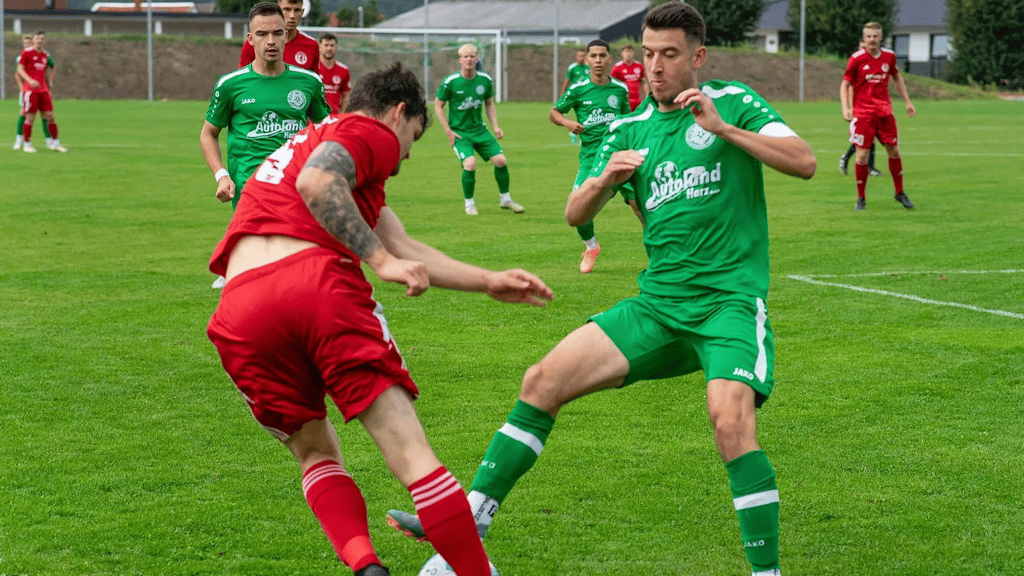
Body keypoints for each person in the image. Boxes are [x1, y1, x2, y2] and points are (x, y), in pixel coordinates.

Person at [386, 4, 817, 576]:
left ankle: (768, 573)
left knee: (729, 420)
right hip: (658, 307)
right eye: (648, 54)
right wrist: (605, 181)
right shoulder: (629, 129)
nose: (656, 67)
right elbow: (573, 213)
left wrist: (723, 130)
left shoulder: (732, 102)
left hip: (727, 305)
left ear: (697, 57)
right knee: (542, 380)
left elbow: (805, 161)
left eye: (669, 54)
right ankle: (467, 533)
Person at [206, 61, 553, 576]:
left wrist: (488, 280)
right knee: (412, 455)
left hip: (239, 310)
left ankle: (366, 565)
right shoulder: (367, 131)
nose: (406, 154)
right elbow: (320, 183)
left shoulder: (303, 143)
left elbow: (403, 243)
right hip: (314, 285)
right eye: (413, 136)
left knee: (314, 453)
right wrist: (379, 261)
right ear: (397, 113)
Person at [201, 2, 331, 212]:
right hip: (249, 192)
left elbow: (327, 132)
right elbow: (208, 133)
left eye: (277, 33)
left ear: (286, 36)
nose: (271, 41)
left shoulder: (309, 82)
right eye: (262, 34)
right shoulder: (230, 85)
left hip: (296, 190)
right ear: (250, 39)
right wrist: (221, 175)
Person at [549, 39, 630, 273]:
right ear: (586, 59)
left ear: (609, 59)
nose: (597, 60)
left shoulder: (620, 90)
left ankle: (662, 258)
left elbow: (628, 122)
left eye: (602, 56)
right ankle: (591, 247)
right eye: (593, 56)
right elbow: (554, 112)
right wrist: (567, 122)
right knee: (578, 208)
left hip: (619, 159)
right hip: (590, 160)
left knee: (643, 205)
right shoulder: (578, 88)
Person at [435, 44, 524, 215]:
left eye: (472, 56)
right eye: (465, 57)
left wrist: (495, 126)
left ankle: (506, 199)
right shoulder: (451, 82)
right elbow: (438, 106)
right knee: (470, 164)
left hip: (480, 131)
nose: (469, 59)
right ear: (460, 60)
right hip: (460, 133)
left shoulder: (485, 80)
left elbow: (489, 103)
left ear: (476, 59)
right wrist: (448, 130)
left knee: (500, 160)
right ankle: (469, 204)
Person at [840, 21, 916, 211]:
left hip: (884, 113)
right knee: (862, 155)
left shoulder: (889, 57)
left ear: (881, 37)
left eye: (875, 36)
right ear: (864, 39)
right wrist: (846, 108)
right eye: (868, 37)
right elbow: (845, 84)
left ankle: (899, 193)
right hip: (863, 114)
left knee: (894, 150)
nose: (872, 40)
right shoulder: (856, 59)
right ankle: (861, 198)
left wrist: (907, 101)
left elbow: (897, 77)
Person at [17, 31, 67, 153]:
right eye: (37, 38)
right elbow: (20, 68)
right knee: (30, 118)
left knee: (50, 116)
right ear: (34, 40)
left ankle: (56, 143)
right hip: (30, 90)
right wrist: (29, 80)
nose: (40, 40)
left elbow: (52, 67)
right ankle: (27, 144)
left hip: (43, 90)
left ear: (44, 41)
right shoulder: (26, 53)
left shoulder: (45, 55)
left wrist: (50, 80)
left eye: (42, 38)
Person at [838, 42, 881, 177]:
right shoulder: (857, 64)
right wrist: (851, 108)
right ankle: (865, 166)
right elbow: (849, 87)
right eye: (862, 47)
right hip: (859, 109)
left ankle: (867, 167)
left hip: (872, 107)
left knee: (869, 138)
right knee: (863, 139)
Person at [238, 0, 318, 71]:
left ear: (302, 12)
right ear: (278, 11)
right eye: (287, 9)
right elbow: (243, 78)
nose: (292, 16)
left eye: (297, 10)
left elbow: (313, 83)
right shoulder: (254, 43)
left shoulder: (312, 45)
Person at [12, 34, 53, 151]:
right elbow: (17, 73)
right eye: (24, 44)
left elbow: (48, 69)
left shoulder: (42, 54)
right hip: (28, 90)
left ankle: (49, 140)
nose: (27, 46)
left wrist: (48, 84)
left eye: (28, 43)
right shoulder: (21, 56)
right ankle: (19, 140)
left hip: (40, 90)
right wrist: (22, 87)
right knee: (24, 113)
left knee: (45, 115)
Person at [317, 32, 351, 113]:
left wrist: (341, 115)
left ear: (336, 47)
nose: (329, 48)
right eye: (326, 45)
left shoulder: (344, 70)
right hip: (315, 119)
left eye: (332, 46)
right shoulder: (312, 68)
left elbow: (346, 96)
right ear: (319, 47)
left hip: (334, 118)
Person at [610, 44, 649, 111]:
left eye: (630, 52)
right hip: (624, 100)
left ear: (633, 53)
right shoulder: (617, 67)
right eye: (626, 52)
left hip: (637, 101)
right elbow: (612, 84)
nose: (628, 54)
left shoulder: (639, 66)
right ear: (622, 54)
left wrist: (647, 96)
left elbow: (643, 82)